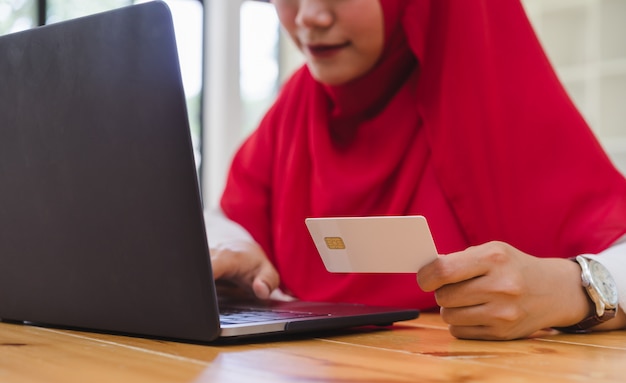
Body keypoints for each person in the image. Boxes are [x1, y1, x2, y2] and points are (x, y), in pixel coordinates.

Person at [205, 0, 626, 340]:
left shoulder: (496, 90)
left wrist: (572, 289)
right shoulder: (298, 105)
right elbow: (232, 221)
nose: (309, 16)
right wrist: (235, 251)